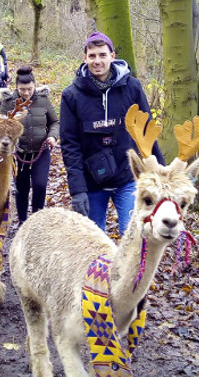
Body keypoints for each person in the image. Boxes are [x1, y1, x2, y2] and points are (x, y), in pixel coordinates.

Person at [60, 31, 164, 236]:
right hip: (92, 182)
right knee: (93, 242)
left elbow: (146, 131)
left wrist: (160, 172)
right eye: (92, 56)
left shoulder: (132, 87)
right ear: (85, 58)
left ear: (112, 56)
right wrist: (77, 190)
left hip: (127, 178)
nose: (97, 61)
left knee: (133, 236)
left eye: (102, 55)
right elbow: (69, 145)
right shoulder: (71, 95)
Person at [0, 66, 59, 225]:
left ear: (35, 85)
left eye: (30, 89)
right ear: (16, 87)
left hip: (41, 150)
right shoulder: (8, 102)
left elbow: (55, 122)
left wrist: (53, 136)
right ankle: (23, 220)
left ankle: (37, 219)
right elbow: (0, 126)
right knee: (21, 187)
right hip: (19, 153)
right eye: (22, 89)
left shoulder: (43, 100)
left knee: (40, 185)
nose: (26, 93)